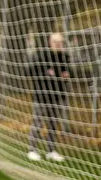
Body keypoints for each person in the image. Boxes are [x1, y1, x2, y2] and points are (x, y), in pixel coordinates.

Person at [26, 32, 71, 162]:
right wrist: (45, 73)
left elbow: (68, 72)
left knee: (53, 124)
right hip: (42, 96)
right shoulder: (41, 56)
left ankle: (50, 151)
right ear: (50, 43)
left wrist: (67, 74)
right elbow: (30, 72)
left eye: (60, 42)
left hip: (57, 96)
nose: (58, 45)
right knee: (38, 123)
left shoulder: (64, 57)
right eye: (56, 42)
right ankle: (32, 150)